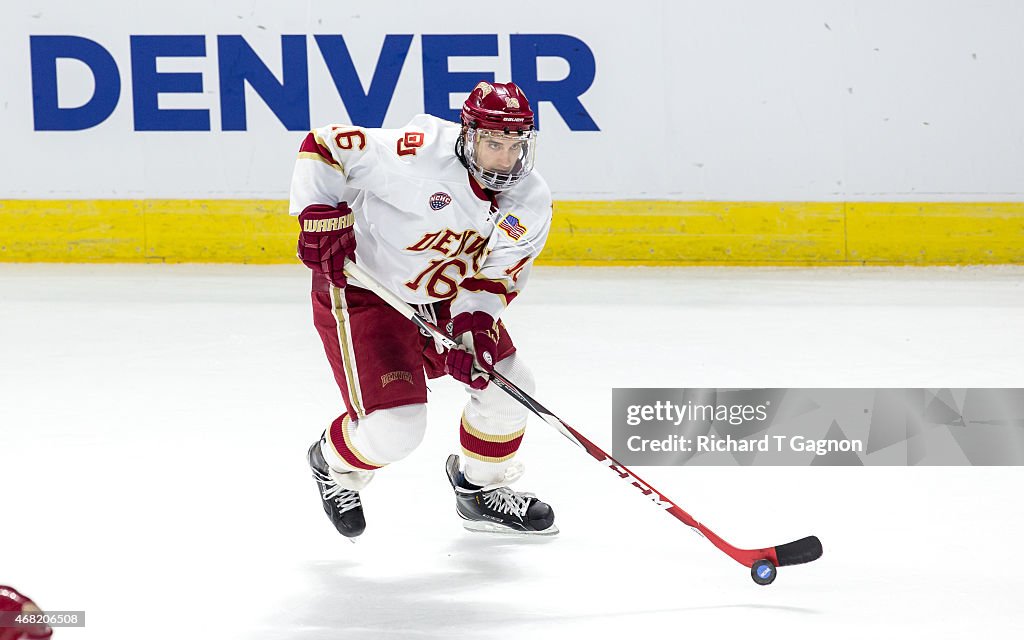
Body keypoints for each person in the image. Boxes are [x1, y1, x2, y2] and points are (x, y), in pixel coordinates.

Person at [288, 81, 556, 538]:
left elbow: (496, 273)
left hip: (444, 295)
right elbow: (326, 144)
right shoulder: (416, 157)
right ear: (468, 135)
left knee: (509, 386)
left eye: (515, 145)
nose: (505, 159)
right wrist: (319, 213)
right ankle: (332, 466)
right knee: (397, 429)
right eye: (493, 143)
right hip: (368, 289)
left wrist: (474, 327)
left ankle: (478, 491)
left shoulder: (529, 200)